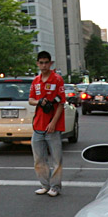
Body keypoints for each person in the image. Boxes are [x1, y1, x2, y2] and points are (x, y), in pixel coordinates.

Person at [28, 50, 65, 197]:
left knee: (56, 158)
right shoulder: (36, 81)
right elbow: (30, 99)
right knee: (39, 158)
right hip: (38, 126)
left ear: (50, 63)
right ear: (37, 63)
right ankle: (45, 184)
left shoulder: (57, 80)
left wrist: (53, 123)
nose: (43, 65)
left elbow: (61, 102)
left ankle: (55, 186)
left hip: (52, 127)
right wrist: (39, 102)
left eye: (46, 62)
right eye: (41, 62)